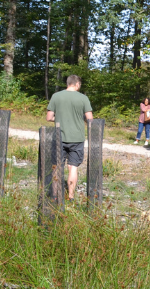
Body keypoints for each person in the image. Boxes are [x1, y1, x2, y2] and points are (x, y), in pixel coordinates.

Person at [46, 75, 93, 204]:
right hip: (77, 138)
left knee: (56, 167)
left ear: (68, 83)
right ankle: (71, 197)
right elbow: (90, 119)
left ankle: (55, 196)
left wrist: (59, 118)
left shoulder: (56, 96)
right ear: (77, 84)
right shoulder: (83, 98)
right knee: (73, 167)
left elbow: (49, 117)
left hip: (59, 137)